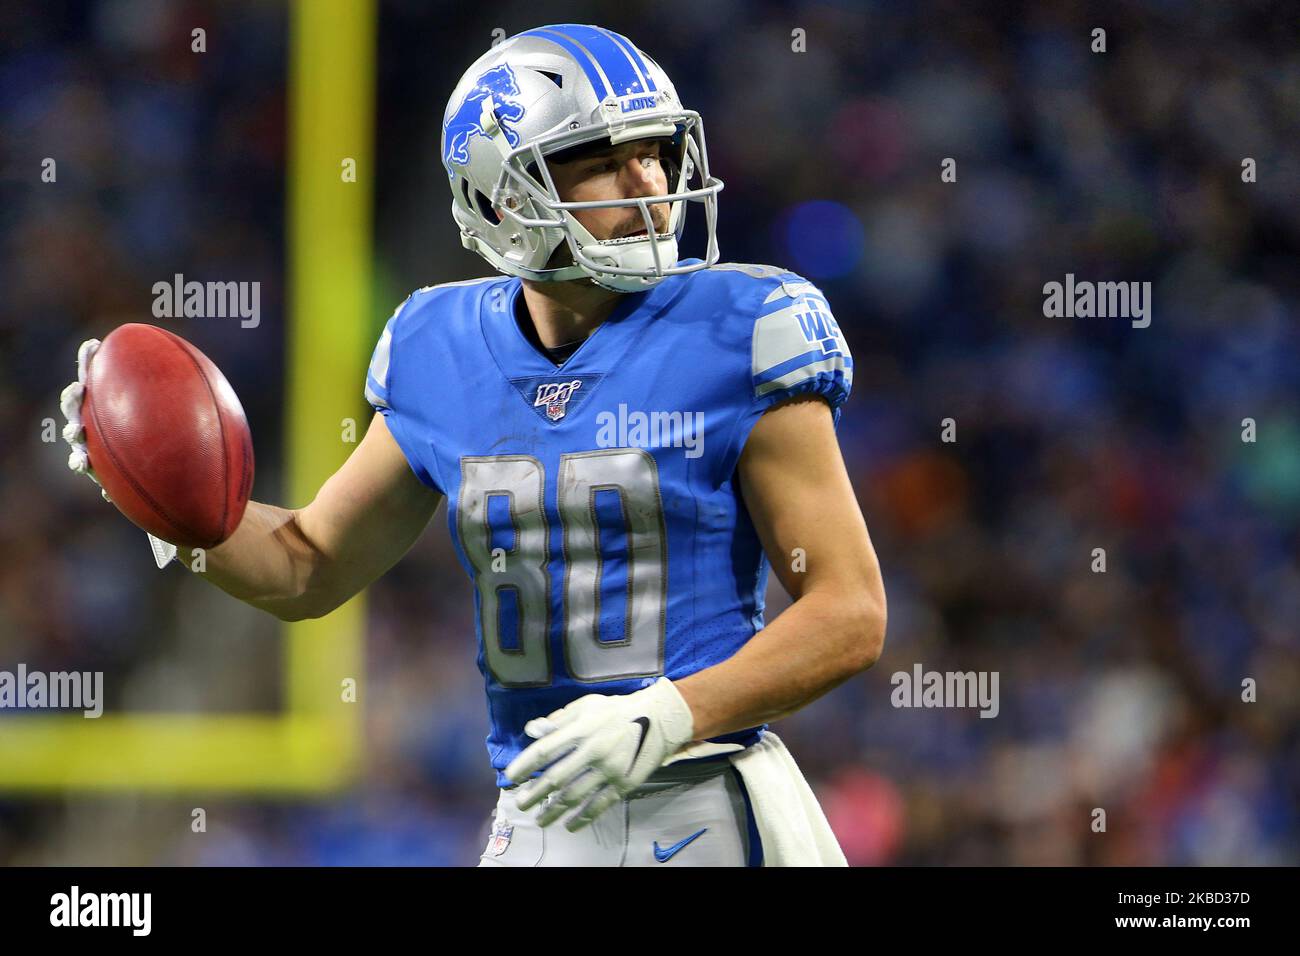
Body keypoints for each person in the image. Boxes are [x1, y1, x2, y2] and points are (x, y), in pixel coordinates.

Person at [60, 23, 886, 866]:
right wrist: (161, 497)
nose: (650, 182)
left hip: (708, 793)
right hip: (540, 814)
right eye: (601, 158)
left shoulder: (743, 326)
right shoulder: (435, 344)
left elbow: (849, 611)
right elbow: (307, 564)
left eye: (656, 150)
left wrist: (668, 712)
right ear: (503, 197)